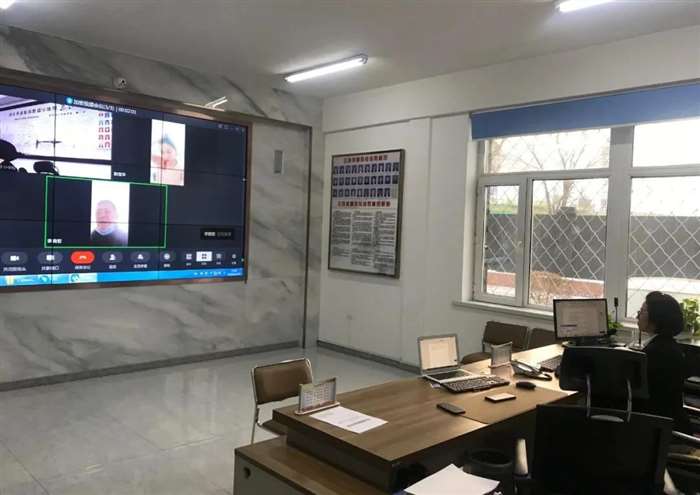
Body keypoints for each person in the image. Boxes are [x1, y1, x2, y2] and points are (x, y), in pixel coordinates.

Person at [636, 291, 691, 433]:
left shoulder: (655, 353)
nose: (637, 315)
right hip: (670, 423)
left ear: (656, 317)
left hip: (662, 432)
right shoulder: (668, 346)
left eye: (642, 311)